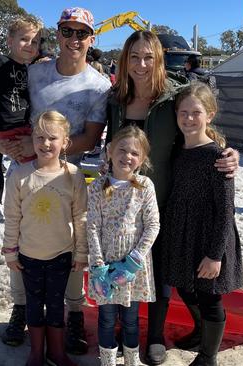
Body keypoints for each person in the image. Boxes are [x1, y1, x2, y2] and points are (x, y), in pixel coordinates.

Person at [105, 30, 240, 365]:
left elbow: (200, 119)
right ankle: (126, 328)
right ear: (125, 60)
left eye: (148, 57)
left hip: (166, 200)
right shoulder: (115, 98)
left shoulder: (174, 97)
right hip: (124, 201)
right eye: (134, 57)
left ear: (160, 59)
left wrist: (228, 153)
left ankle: (154, 337)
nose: (141, 64)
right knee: (125, 265)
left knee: (162, 273)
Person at [0, 7, 111, 354]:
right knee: (20, 244)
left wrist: (49, 156)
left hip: (69, 178)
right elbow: (9, 110)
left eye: (81, 33)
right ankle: (21, 309)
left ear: (91, 39)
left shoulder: (99, 85)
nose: (74, 39)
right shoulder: (35, 74)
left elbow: (91, 139)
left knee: (73, 247)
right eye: (67, 31)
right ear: (58, 34)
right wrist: (2, 137)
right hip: (25, 174)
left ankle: (74, 313)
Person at [161, 82, 243, 366]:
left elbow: (225, 212)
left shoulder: (218, 158)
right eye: (183, 112)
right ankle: (199, 332)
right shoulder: (176, 151)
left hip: (208, 237)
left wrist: (215, 254)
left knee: (209, 296)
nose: (188, 118)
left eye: (196, 112)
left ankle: (208, 356)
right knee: (185, 287)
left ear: (210, 114)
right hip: (182, 233)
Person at [2, 110, 87, 366]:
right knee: (34, 305)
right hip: (29, 256)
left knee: (56, 306)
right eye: (39, 137)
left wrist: (81, 253)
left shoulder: (73, 175)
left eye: (52, 138)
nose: (45, 143)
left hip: (62, 255)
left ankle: (57, 352)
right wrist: (10, 251)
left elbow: (82, 217)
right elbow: (12, 217)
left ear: (65, 142)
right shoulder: (20, 175)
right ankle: (36, 352)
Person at [87, 126, 160, 366]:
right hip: (106, 265)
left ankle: (131, 360)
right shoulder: (96, 187)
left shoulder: (145, 186)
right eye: (122, 149)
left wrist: (134, 260)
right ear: (109, 151)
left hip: (133, 269)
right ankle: (107, 361)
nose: (127, 156)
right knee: (107, 318)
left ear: (142, 159)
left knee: (131, 319)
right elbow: (93, 227)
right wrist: (98, 266)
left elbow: (153, 225)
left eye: (134, 153)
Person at [0, 15, 42, 164]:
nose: (29, 45)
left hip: (24, 125)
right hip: (9, 126)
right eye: (24, 39)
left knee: (33, 163)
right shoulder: (0, 61)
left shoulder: (25, 67)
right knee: (29, 164)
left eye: (34, 42)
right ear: (10, 41)